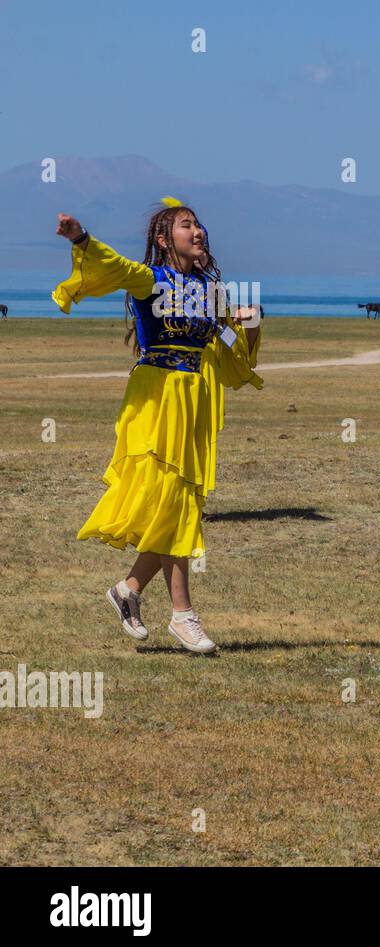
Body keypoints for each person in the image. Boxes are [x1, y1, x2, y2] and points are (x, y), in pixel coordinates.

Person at [51, 198, 264, 654]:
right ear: (166, 239)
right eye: (187, 225)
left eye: (200, 225)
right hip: (155, 396)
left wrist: (248, 323)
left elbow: (227, 345)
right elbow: (117, 266)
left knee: (177, 501)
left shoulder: (210, 292)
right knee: (174, 499)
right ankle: (183, 616)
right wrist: (81, 239)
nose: (198, 231)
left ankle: (128, 590)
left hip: (192, 400)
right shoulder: (152, 280)